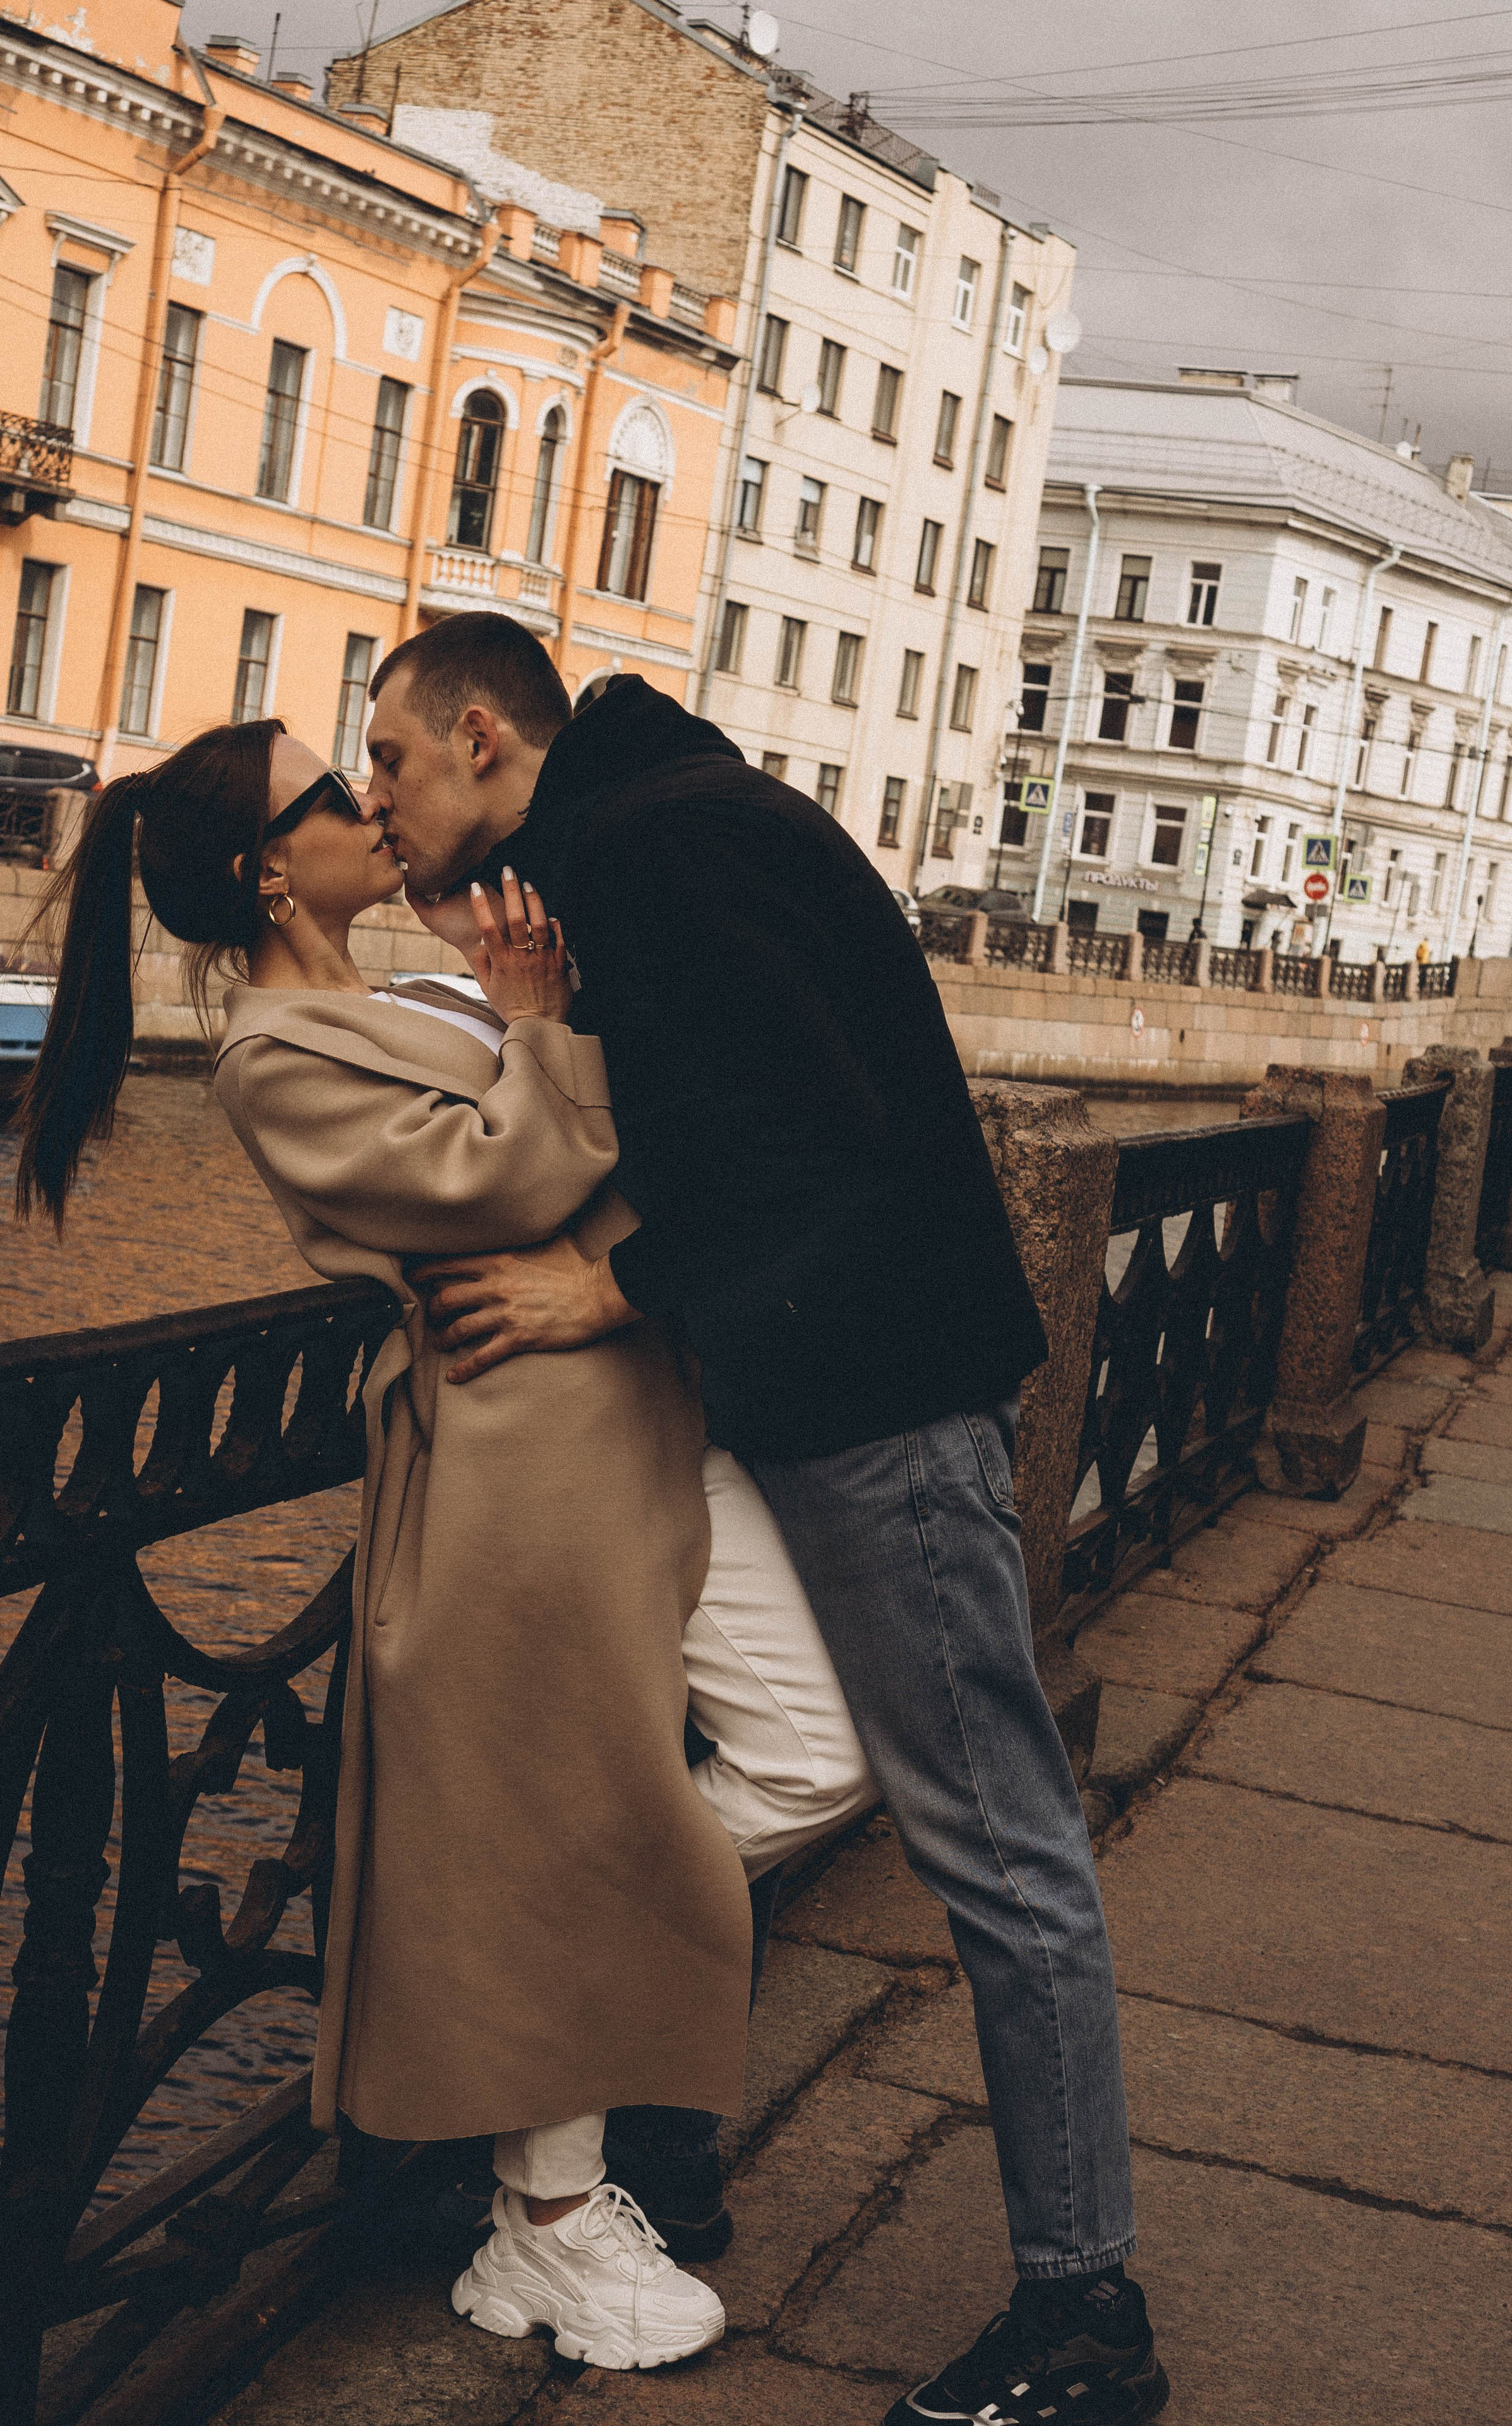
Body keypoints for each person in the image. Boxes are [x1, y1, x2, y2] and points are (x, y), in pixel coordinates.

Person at [359, 616, 1168, 2426]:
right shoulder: (654, 826)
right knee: (839, 1788)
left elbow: (813, 1138)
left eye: (394, 762)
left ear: (484, 739)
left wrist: (606, 1292)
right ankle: (613, 2108)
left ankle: (1083, 2322)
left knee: (1002, 1848)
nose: (379, 797)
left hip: (871, 1402)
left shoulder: (664, 844)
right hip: (833, 1387)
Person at [13, 715, 873, 2374]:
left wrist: (550, 1015)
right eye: (337, 793)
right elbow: (508, 1179)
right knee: (633, 1797)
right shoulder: (274, 1056)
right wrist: (542, 1033)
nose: (369, 802)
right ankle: (547, 2215)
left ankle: (553, 2113)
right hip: (521, 1459)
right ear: (273, 866)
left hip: (641, 1402)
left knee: (812, 1753)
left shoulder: (409, 993)